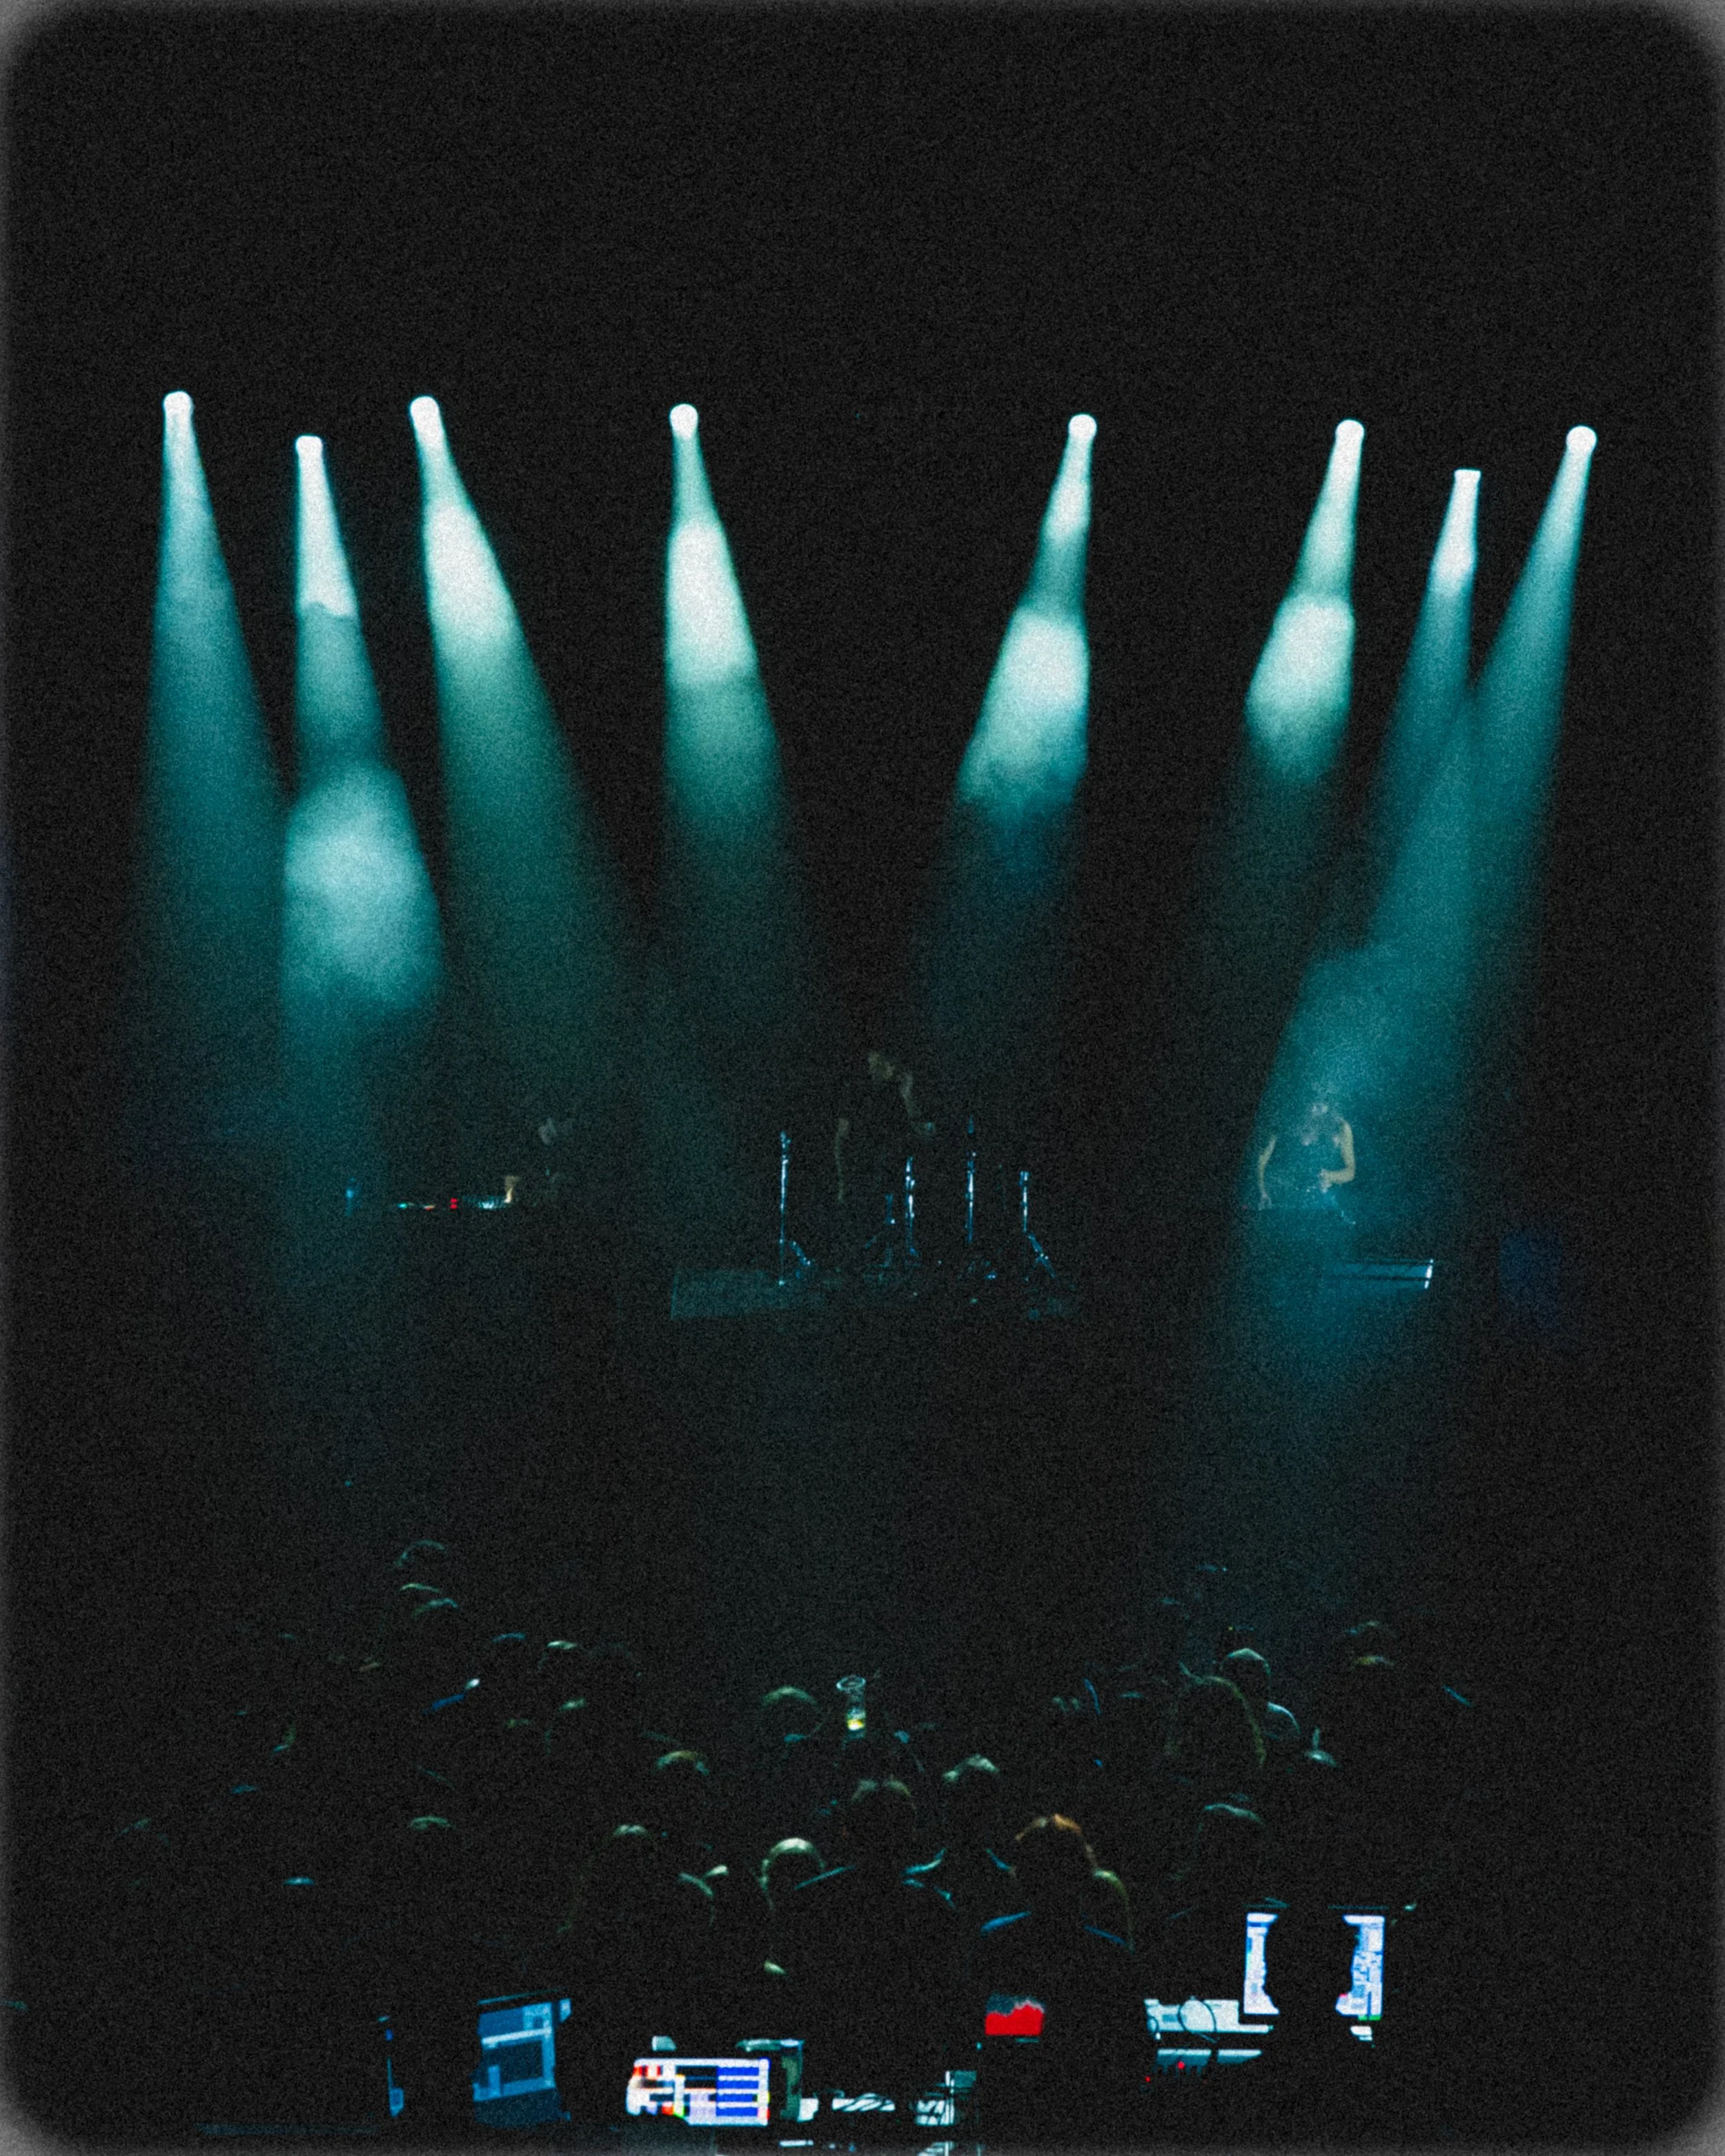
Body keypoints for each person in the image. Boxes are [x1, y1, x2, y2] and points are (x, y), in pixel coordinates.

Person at [832, 1050, 936, 1262]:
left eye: (879, 1063)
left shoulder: (904, 1091)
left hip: (899, 1173)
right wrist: (843, 1179)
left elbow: (927, 1133)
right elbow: (842, 1137)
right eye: (871, 1062)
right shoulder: (856, 1090)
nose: (873, 1068)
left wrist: (907, 1095)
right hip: (863, 1172)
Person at [1254, 1096, 1355, 1211]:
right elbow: (1261, 1159)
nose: (1313, 1109)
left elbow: (1350, 1172)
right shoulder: (1288, 1120)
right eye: (1310, 1103)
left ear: (1329, 1106)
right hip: (1282, 1197)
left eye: (1319, 1106)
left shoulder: (1340, 1128)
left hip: (1319, 1202)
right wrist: (1261, 1191)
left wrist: (1329, 1176)